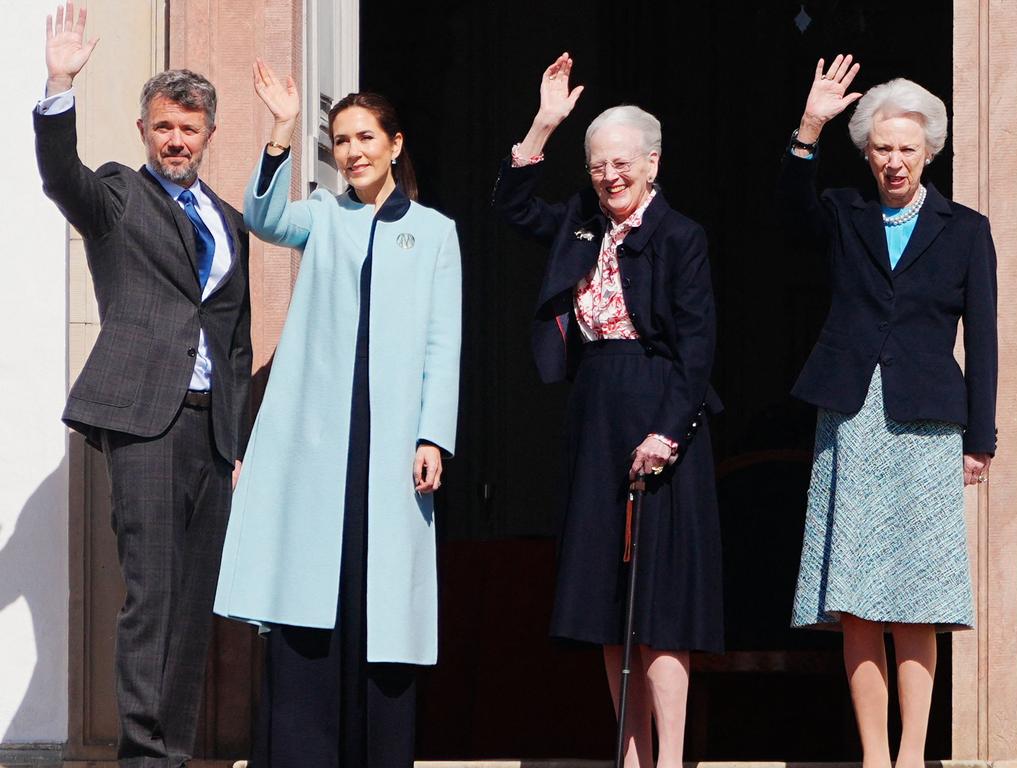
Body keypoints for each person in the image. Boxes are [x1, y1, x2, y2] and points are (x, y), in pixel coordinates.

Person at [213, 59, 461, 768]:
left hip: (393, 450)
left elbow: (445, 342)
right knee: (310, 593)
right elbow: (263, 217)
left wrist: (432, 435)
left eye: (363, 137)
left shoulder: (436, 233)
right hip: (321, 444)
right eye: (341, 140)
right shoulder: (323, 216)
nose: (351, 151)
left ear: (394, 144)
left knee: (379, 605)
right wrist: (282, 130)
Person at [34, 3, 252, 766]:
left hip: (209, 434)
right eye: (164, 126)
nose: (176, 140)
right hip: (144, 425)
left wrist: (237, 442)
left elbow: (233, 340)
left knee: (194, 608)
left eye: (189, 129)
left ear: (209, 135)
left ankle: (174, 752)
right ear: (144, 130)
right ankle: (141, 755)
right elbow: (63, 179)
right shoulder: (119, 195)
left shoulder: (228, 219)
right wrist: (59, 85)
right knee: (150, 598)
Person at [492, 53, 724, 768]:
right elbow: (511, 203)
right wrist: (543, 124)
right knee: (604, 596)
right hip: (594, 409)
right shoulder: (582, 227)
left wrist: (667, 432)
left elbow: (697, 347)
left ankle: (671, 756)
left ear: (652, 164)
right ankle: (629, 754)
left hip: (661, 414)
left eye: (622, 164)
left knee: (661, 603)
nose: (610, 176)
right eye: (597, 166)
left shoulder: (680, 236)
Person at [784, 55, 998, 768]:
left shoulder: (965, 229)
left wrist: (982, 438)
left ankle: (911, 755)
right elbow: (786, 211)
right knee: (856, 597)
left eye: (908, 148)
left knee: (917, 594)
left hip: (928, 421)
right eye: (882, 148)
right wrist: (810, 125)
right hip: (850, 417)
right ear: (867, 154)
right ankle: (874, 755)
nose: (895, 161)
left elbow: (986, 339)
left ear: (929, 151)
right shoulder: (844, 213)